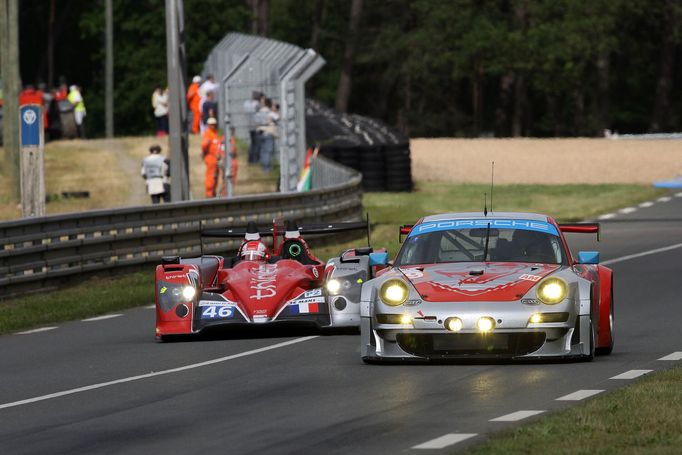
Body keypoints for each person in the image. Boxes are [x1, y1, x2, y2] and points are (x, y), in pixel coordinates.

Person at [201, 117, 224, 198]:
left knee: (216, 176)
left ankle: (213, 192)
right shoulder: (207, 134)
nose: (212, 126)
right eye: (211, 124)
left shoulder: (216, 133)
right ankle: (209, 193)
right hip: (211, 158)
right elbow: (203, 146)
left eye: (214, 124)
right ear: (208, 125)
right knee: (211, 176)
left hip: (217, 158)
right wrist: (208, 142)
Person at [256, 98, 279, 173]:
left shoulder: (259, 112)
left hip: (260, 132)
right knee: (268, 151)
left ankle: (263, 167)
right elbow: (278, 118)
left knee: (263, 151)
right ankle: (267, 169)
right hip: (268, 133)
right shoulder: (270, 113)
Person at [244, 91, 261, 163]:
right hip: (256, 126)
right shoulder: (256, 104)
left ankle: (250, 159)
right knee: (257, 143)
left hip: (249, 125)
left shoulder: (246, 103)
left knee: (252, 143)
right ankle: (254, 160)